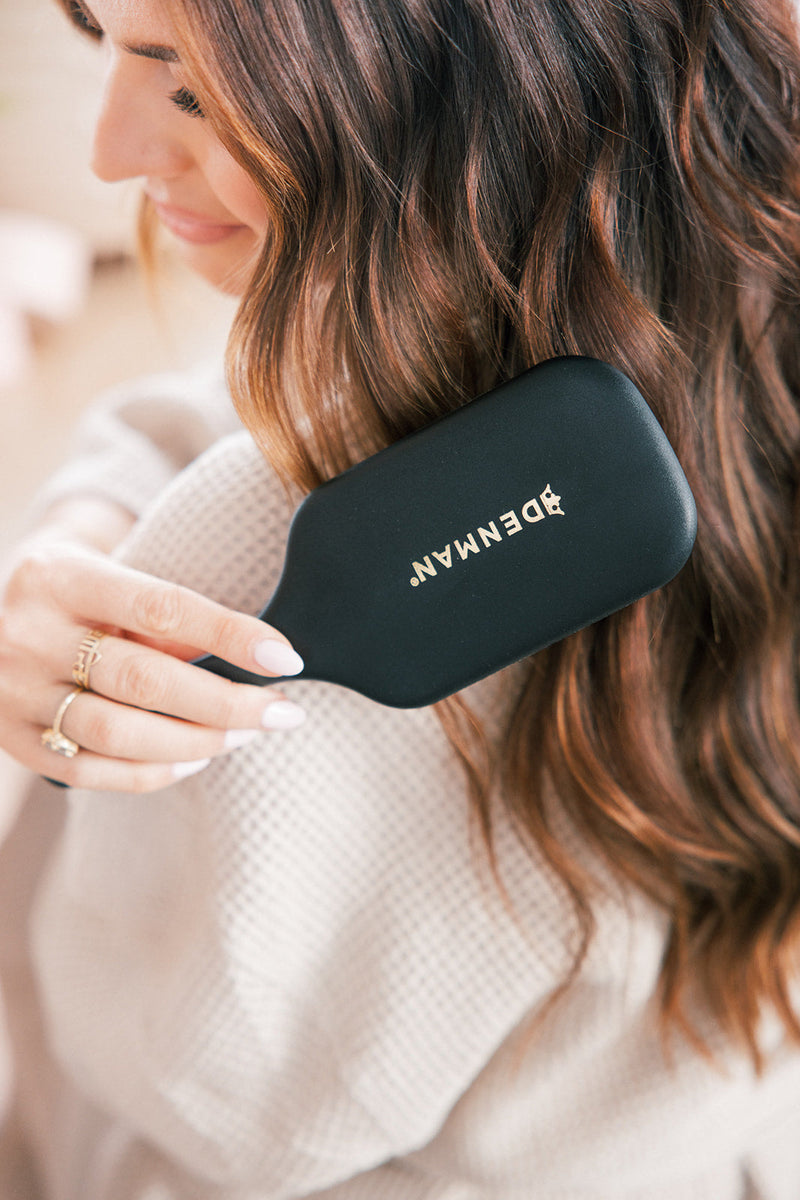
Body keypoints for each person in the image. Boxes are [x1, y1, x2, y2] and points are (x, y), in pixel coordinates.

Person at [0, 0, 798, 1195]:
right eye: (100, 46)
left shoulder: (242, 558)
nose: (109, 152)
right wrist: (80, 536)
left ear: (451, 82)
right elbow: (195, 408)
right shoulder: (726, 308)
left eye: (184, 87)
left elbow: (183, 1103)